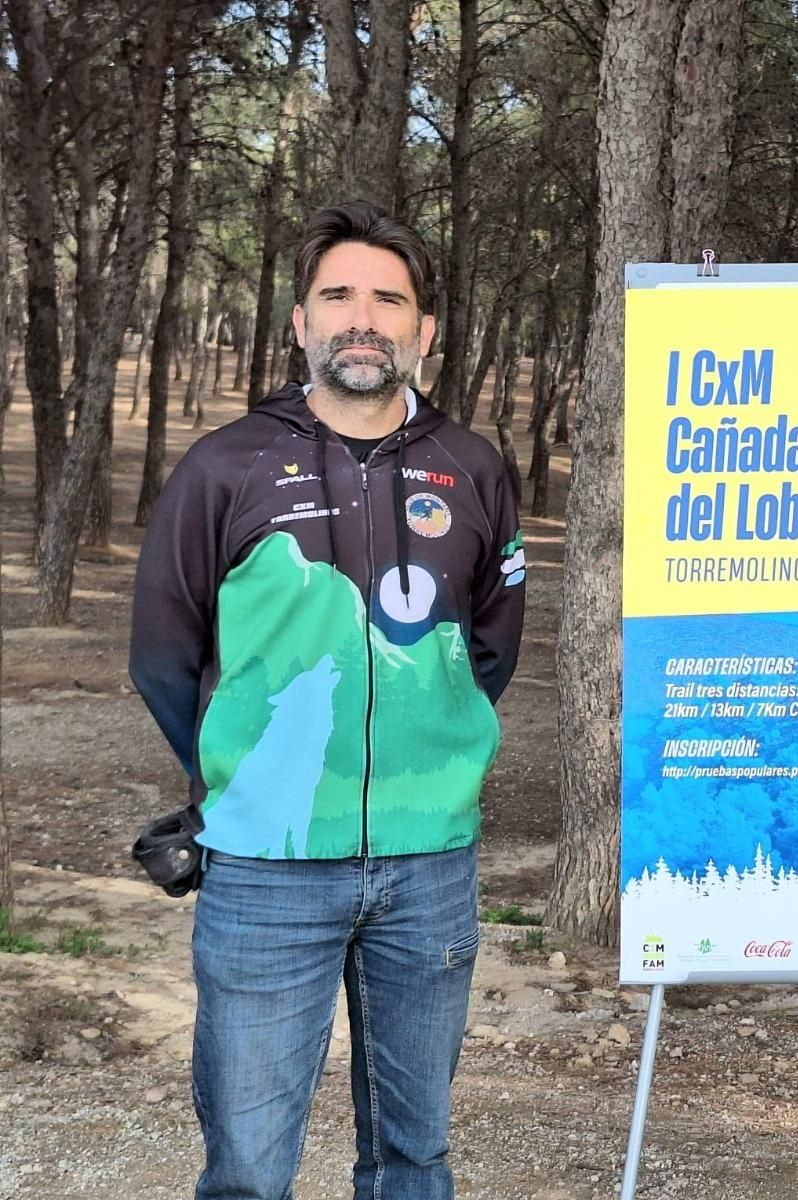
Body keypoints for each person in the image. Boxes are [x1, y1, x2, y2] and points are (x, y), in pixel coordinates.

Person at [130, 201, 526, 1200]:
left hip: (429, 865)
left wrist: (423, 759)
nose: (364, 318)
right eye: (337, 296)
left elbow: (489, 649)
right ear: (300, 322)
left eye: (389, 299)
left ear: (424, 332)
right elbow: (164, 658)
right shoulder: (225, 465)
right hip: (264, 868)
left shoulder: (473, 468)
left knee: (413, 1155)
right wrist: (248, 774)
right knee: (251, 1166)